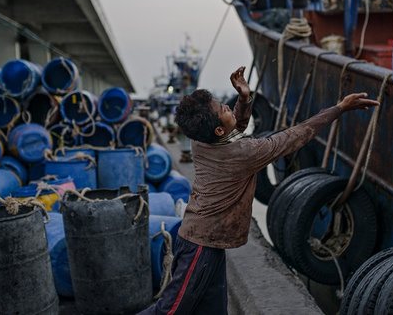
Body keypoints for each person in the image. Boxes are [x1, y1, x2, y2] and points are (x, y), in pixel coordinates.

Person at [138, 66, 379, 315]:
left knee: (213, 310)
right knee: (170, 311)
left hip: (209, 241)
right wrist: (339, 108)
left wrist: (244, 98)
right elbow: (294, 136)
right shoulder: (243, 154)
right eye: (224, 110)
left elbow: (234, 130)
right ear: (219, 129)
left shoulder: (201, 140)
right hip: (200, 245)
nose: (229, 109)